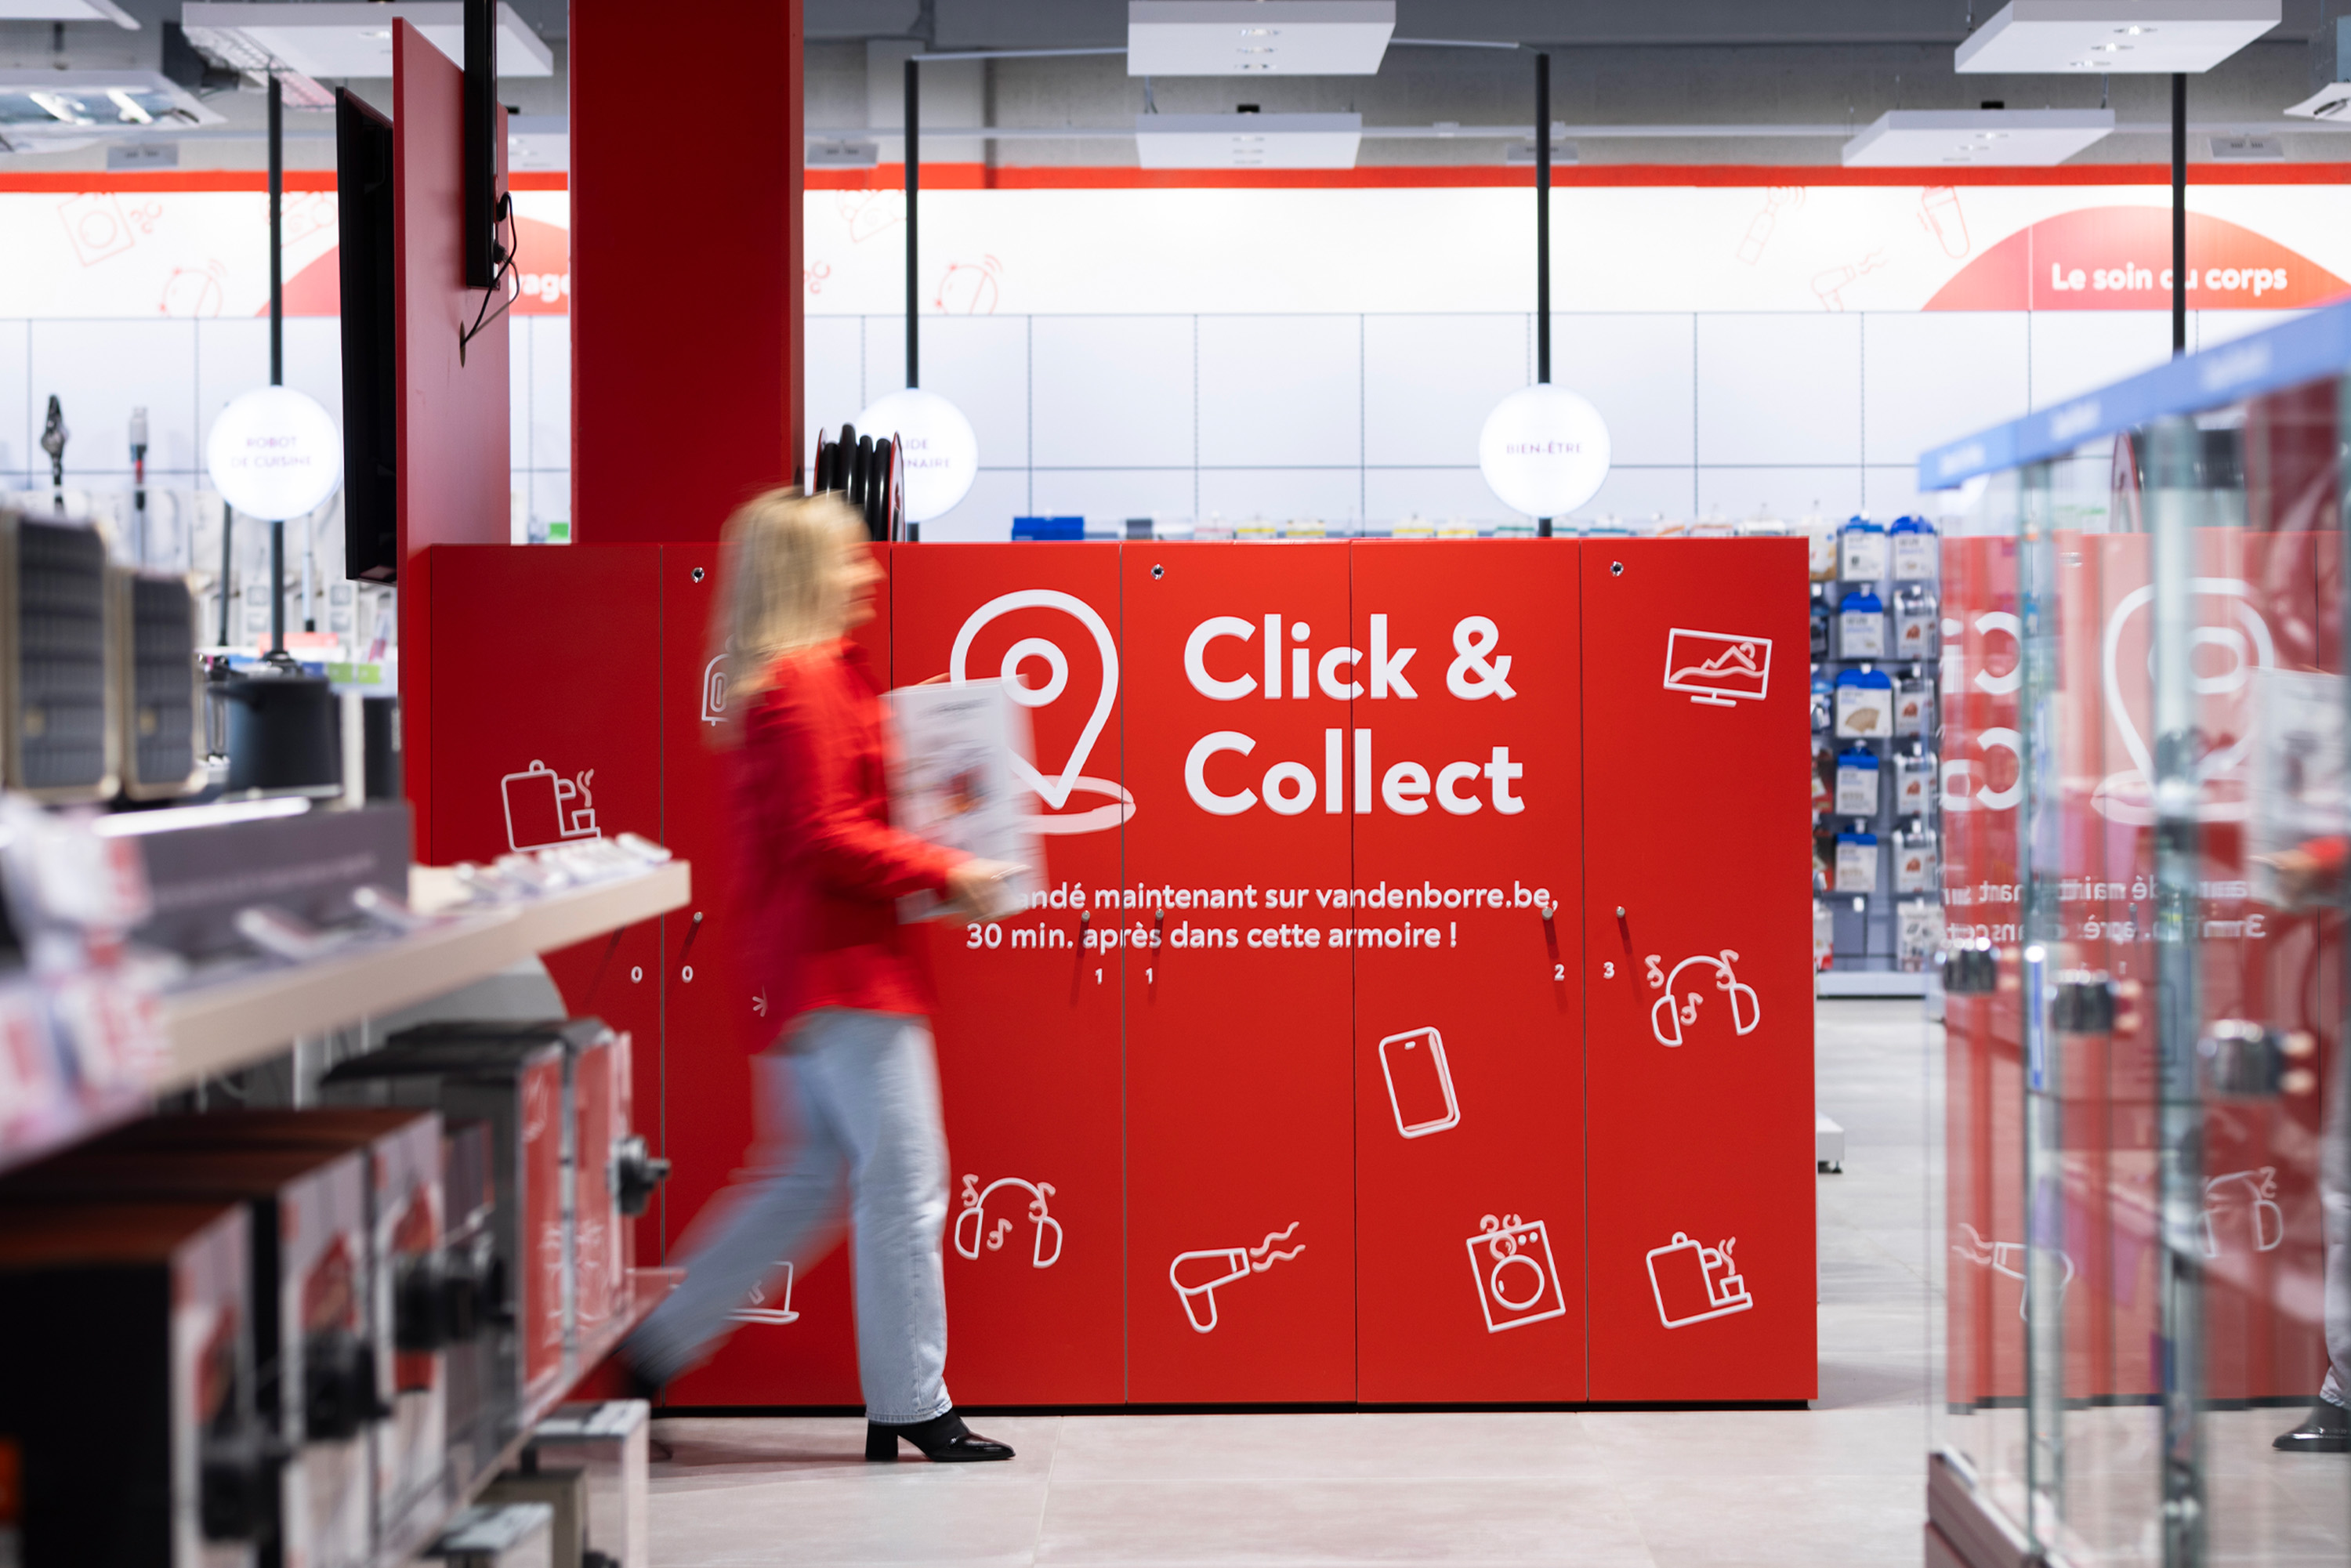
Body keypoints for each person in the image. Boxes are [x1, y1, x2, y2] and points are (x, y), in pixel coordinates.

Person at [622, 488, 1023, 1463]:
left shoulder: (816, 680)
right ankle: (911, 1402)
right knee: (906, 1181)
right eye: (850, 559)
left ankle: (654, 1349)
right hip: (847, 974)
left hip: (809, 973)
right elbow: (821, 835)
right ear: (808, 573)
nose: (869, 573)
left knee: (806, 1182)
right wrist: (950, 868)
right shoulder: (805, 685)